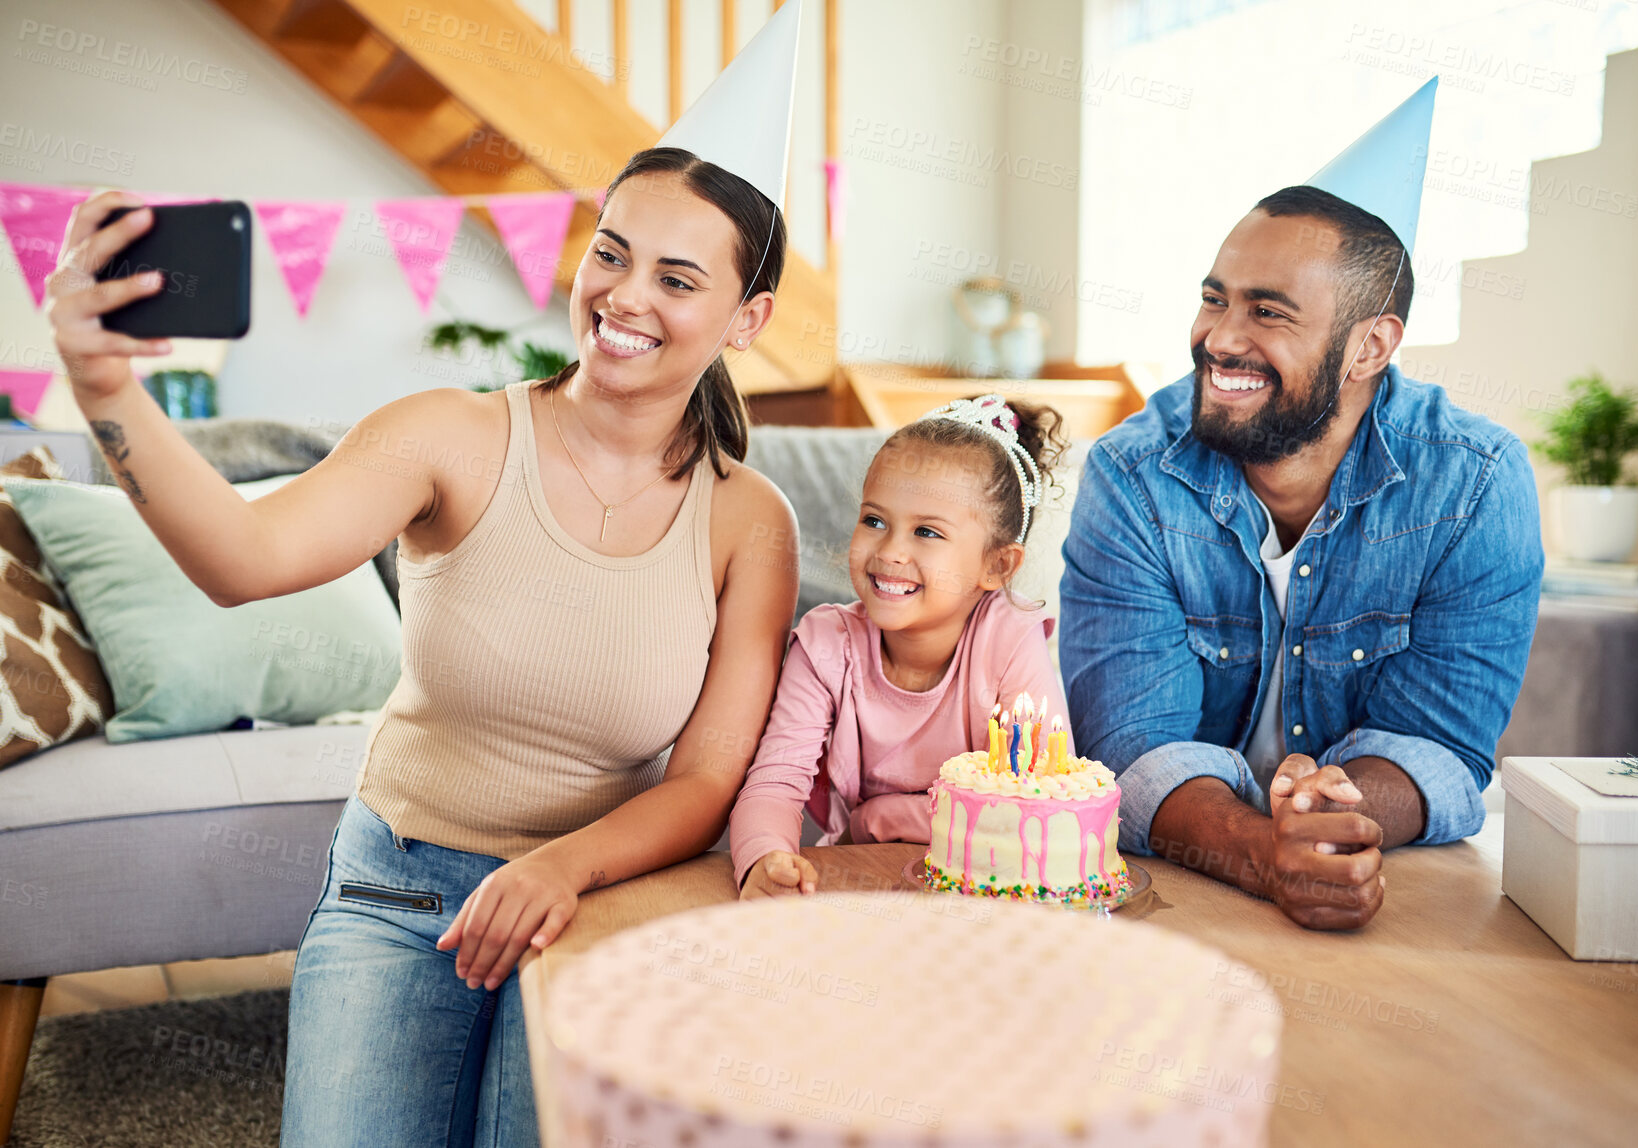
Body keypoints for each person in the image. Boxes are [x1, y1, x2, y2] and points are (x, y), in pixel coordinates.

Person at [43, 8, 811, 1131]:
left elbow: (704, 782)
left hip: (599, 897)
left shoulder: (752, 522)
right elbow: (246, 560)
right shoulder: (449, 433)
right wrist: (107, 391)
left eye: (678, 278)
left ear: (748, 319)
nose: (624, 296)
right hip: (396, 890)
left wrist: (563, 871)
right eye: (611, 251)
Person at [1060, 79, 1543, 931]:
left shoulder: (1474, 482)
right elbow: (1129, 747)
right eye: (1214, 298)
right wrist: (1263, 854)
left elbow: (1440, 746)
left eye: (1266, 312)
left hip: (1388, 890)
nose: (1218, 339)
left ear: (1369, 346)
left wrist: (1328, 822)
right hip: (1182, 896)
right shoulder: (1131, 475)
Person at [731, 393, 1072, 897]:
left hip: (990, 889)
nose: (890, 551)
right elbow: (774, 781)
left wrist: (883, 818)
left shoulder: (1010, 638)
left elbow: (1043, 805)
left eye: (927, 532)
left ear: (996, 566)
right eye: (874, 521)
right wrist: (764, 858)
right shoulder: (826, 645)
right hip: (863, 880)